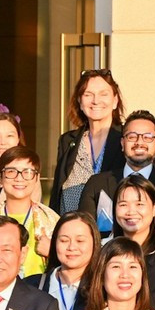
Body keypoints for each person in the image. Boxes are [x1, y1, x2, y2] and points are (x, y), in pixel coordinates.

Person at [75, 112, 155, 235]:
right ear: (122, 143)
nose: (139, 142)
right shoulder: (97, 183)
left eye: (147, 137)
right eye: (132, 136)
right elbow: (84, 232)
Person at [53, 69, 125, 217]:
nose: (96, 101)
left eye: (103, 94)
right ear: (79, 101)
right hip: (71, 228)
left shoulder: (126, 138)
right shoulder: (67, 141)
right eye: (88, 94)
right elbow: (57, 190)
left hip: (111, 231)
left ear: (115, 101)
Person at [0, 148, 57, 275]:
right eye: (11, 171)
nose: (19, 178)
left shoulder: (52, 220)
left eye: (28, 172)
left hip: (40, 291)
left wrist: (53, 252)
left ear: (37, 178)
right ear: (0, 177)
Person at [111, 175, 155, 253]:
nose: (131, 212)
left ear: (154, 209)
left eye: (139, 204)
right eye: (123, 205)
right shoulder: (104, 250)